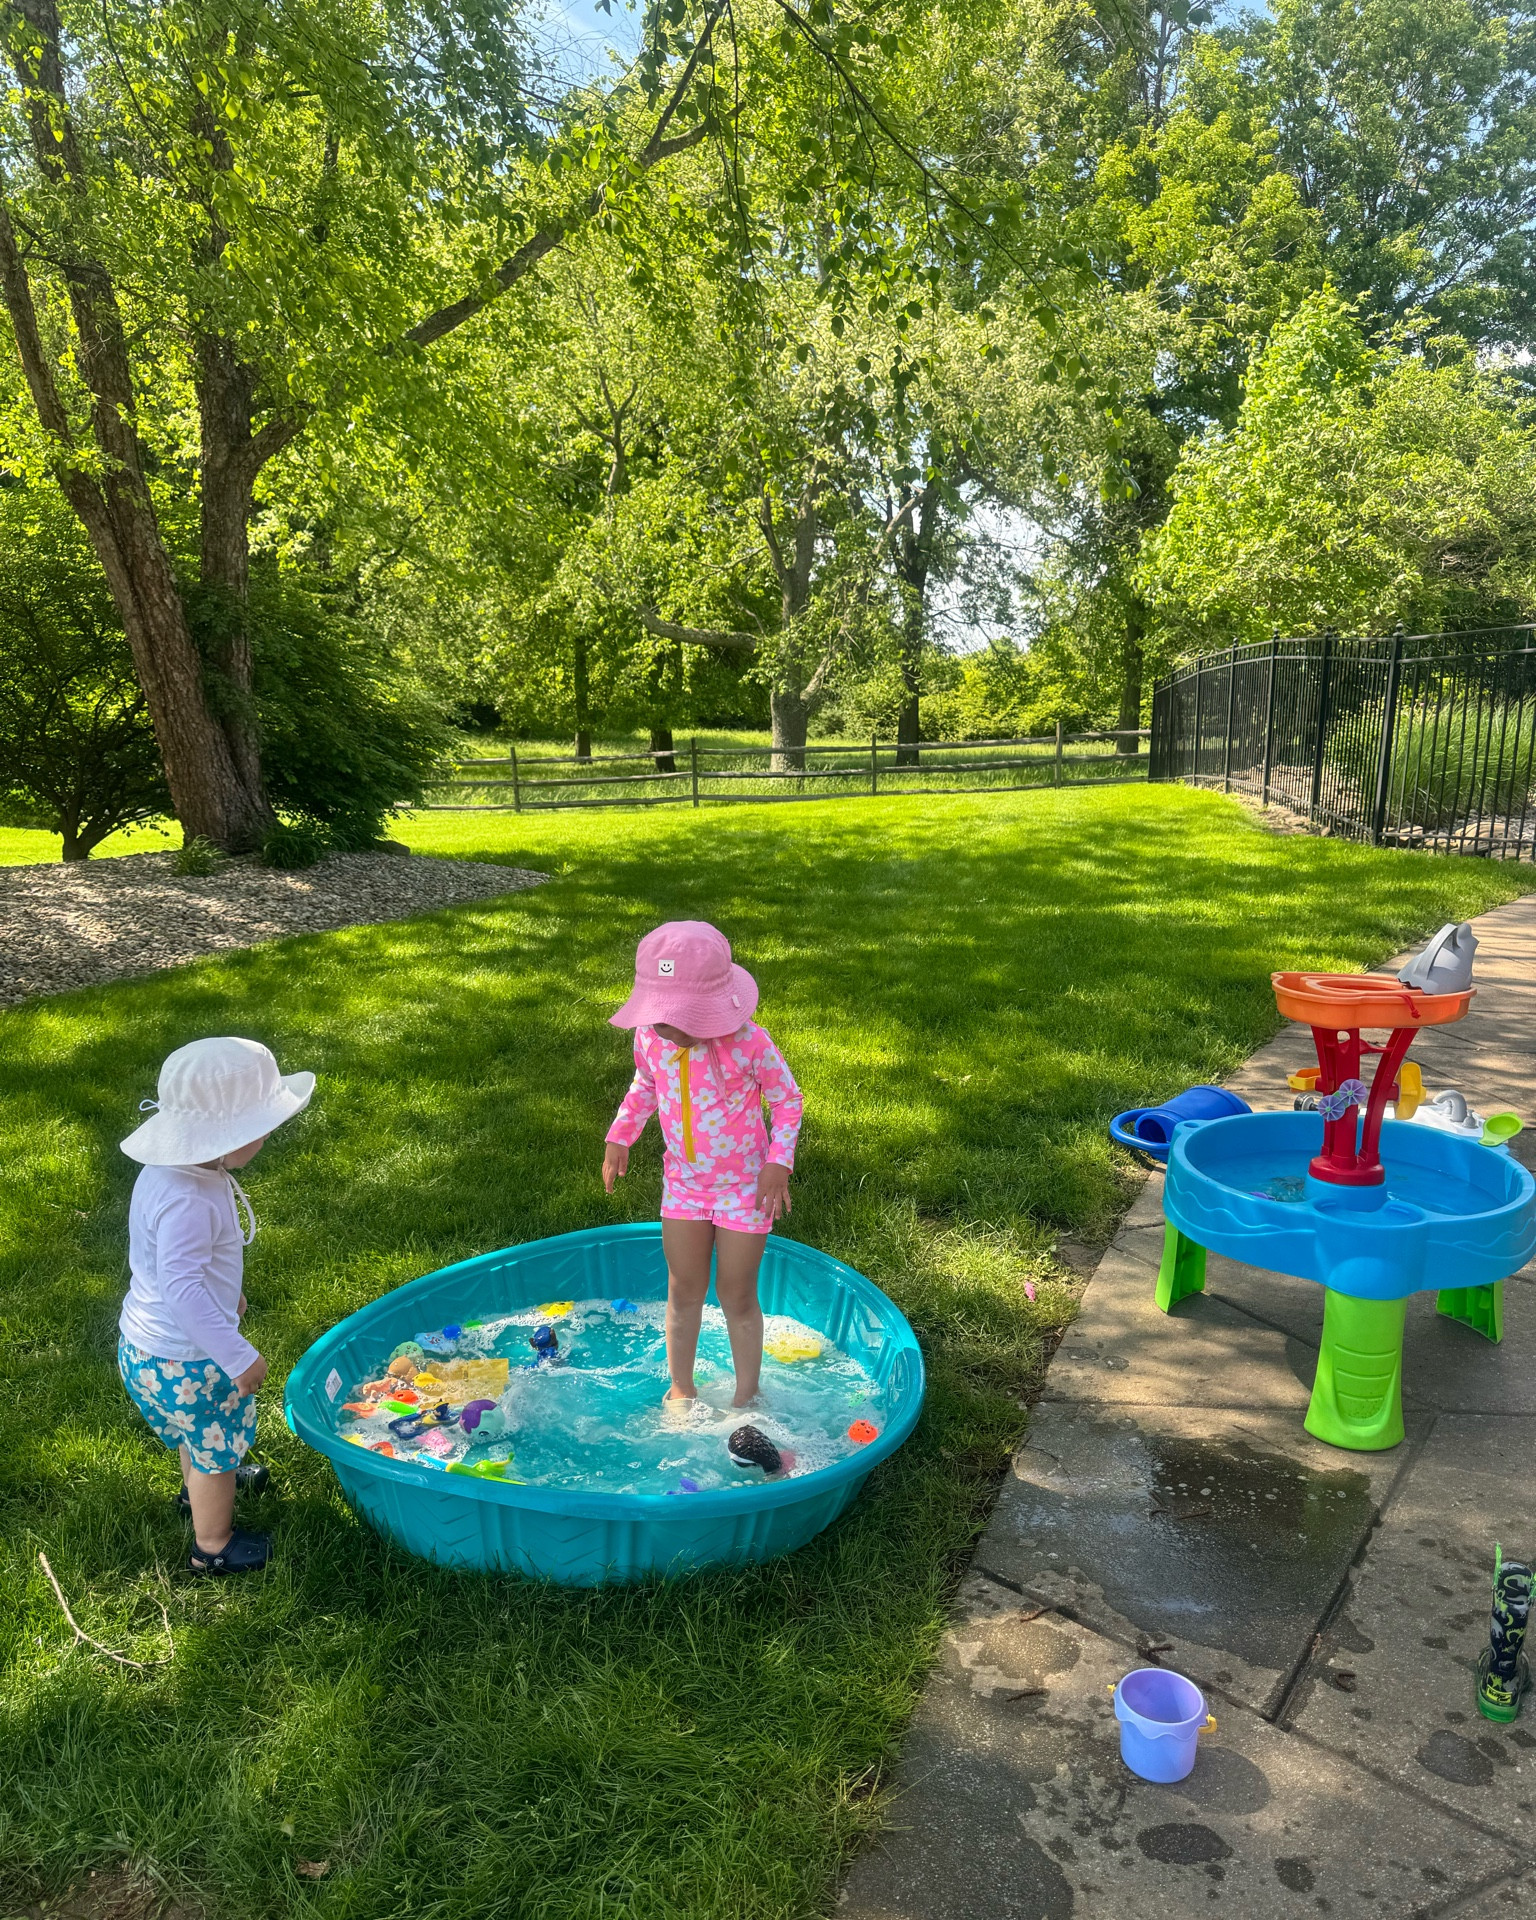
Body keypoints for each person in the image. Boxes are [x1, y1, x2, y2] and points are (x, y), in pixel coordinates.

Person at [117, 1036, 314, 1575]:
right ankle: (214, 1546)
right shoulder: (191, 1198)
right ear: (226, 1136)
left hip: (146, 1347)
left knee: (194, 1435)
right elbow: (183, 1290)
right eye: (261, 1125)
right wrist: (235, 1354)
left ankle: (197, 1490)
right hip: (189, 1360)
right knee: (216, 1449)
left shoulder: (168, 1175)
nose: (269, 1134)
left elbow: (168, 1266)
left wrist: (227, 1294)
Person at [603, 921, 802, 1411]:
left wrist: (779, 1163)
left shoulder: (749, 1042)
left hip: (744, 1189)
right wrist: (620, 1135)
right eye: (655, 1016)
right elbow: (645, 1086)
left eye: (674, 1018)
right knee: (683, 1289)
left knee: (736, 1295)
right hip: (685, 1185)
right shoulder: (652, 1040)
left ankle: (745, 1394)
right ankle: (681, 1387)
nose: (661, 1028)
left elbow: (788, 1100)